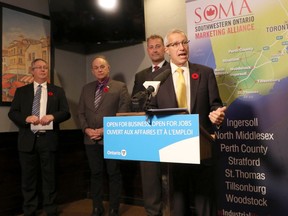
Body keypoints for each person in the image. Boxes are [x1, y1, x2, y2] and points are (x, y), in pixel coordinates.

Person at [150, 29, 226, 216]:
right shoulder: (158, 80)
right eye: (175, 44)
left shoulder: (205, 73)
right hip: (173, 151)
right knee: (179, 204)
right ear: (167, 50)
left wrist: (216, 115)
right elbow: (150, 112)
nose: (182, 48)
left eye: (184, 42)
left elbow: (215, 105)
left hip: (202, 149)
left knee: (205, 204)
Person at [8, 58, 71, 216]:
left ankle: (50, 208)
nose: (43, 70)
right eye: (39, 67)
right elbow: (13, 112)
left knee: (49, 177)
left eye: (45, 67)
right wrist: (26, 119)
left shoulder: (57, 91)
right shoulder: (22, 91)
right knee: (28, 178)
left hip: (48, 139)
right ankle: (30, 209)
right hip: (27, 140)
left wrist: (53, 116)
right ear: (32, 70)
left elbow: (65, 112)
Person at [78, 56, 131, 216]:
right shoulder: (86, 88)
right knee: (95, 174)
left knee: (113, 173)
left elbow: (123, 112)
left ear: (108, 68)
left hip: (112, 138)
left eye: (102, 66)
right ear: (92, 71)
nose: (99, 69)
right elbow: (80, 112)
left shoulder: (120, 87)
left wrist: (103, 130)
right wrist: (86, 129)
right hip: (89, 139)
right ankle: (97, 207)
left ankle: (114, 208)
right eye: (96, 67)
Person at [131, 34, 167, 216]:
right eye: (151, 47)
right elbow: (134, 103)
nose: (154, 49)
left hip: (168, 128)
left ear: (165, 49)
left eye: (158, 46)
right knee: (149, 177)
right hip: (147, 131)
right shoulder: (140, 75)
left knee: (169, 177)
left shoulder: (173, 70)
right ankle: (153, 212)